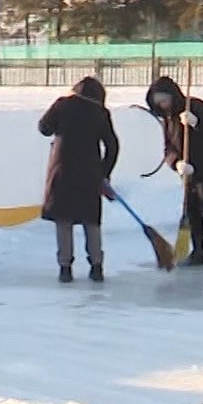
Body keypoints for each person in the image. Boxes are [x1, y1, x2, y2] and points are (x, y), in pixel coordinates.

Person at [145, 75, 203, 267]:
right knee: (191, 207)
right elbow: (168, 148)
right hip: (188, 168)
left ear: (172, 96)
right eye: (158, 102)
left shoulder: (193, 106)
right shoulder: (167, 119)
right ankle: (198, 249)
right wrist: (176, 163)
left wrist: (196, 122)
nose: (162, 105)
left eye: (164, 100)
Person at [38, 76, 120, 283]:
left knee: (63, 219)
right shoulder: (101, 113)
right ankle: (97, 266)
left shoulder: (62, 105)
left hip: (61, 170)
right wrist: (104, 172)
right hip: (90, 173)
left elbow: (43, 128)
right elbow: (112, 145)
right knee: (91, 219)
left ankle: (65, 268)